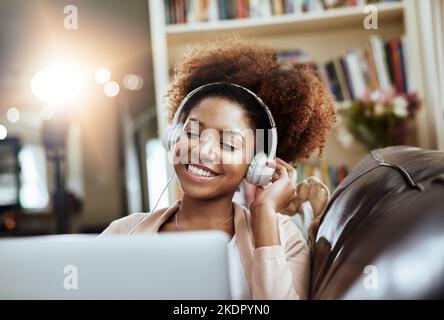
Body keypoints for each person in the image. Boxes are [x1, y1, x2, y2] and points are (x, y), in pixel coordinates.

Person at [100, 38, 336, 299]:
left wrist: (264, 213)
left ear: (257, 163)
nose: (202, 150)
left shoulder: (282, 236)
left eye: (228, 143)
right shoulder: (122, 233)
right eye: (192, 132)